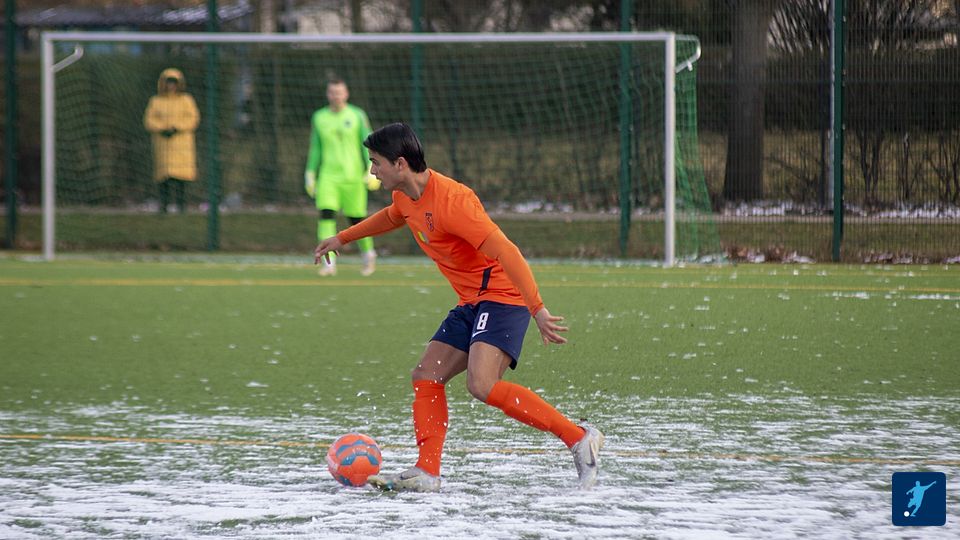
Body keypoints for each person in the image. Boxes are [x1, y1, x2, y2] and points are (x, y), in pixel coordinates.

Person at [314, 123, 604, 492]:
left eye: (376, 162)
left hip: (502, 295)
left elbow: (508, 252)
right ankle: (427, 472)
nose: (372, 171)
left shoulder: (454, 202)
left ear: (400, 164)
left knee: (481, 384)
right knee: (426, 375)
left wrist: (538, 309)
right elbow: (391, 216)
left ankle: (578, 438)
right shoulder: (405, 196)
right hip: (471, 300)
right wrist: (342, 237)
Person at [304, 78, 380, 277]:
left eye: (339, 92)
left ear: (346, 94)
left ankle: (368, 255)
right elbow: (316, 147)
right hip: (328, 177)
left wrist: (371, 167)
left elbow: (369, 143)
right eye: (332, 92)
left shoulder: (357, 115)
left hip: (353, 178)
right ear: (327, 94)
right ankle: (328, 263)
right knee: (326, 217)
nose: (335, 96)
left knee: (357, 221)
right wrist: (310, 172)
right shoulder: (319, 117)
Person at [143, 68, 200, 214]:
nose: (171, 86)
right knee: (164, 177)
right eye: (168, 82)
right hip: (163, 144)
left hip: (182, 145)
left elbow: (193, 119)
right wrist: (162, 128)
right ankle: (164, 206)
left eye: (174, 82)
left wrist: (176, 128)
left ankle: (181, 206)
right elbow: (149, 120)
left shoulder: (186, 100)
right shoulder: (156, 101)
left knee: (181, 177)